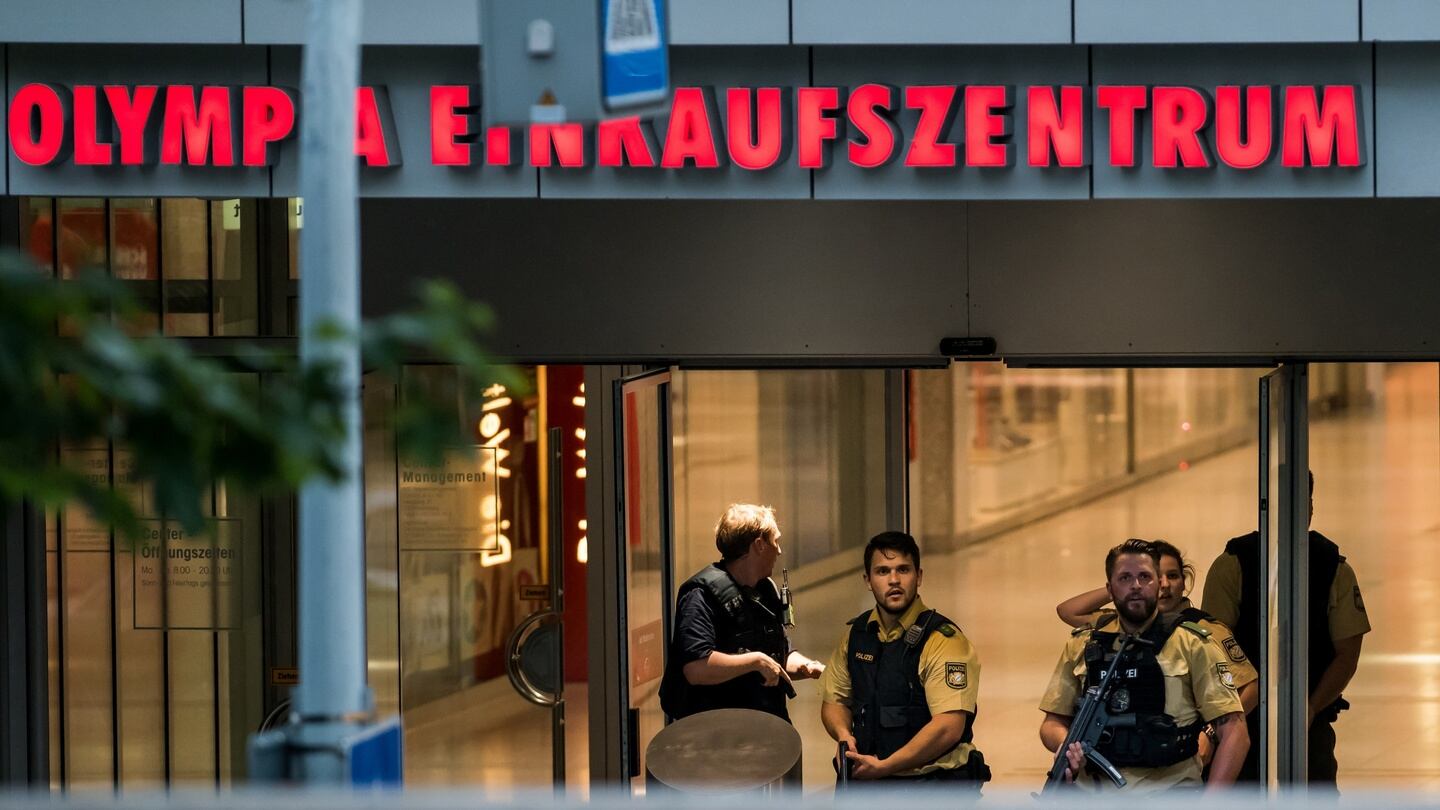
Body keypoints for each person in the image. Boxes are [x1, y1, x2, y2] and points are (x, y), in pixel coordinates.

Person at [1040, 539, 1249, 794]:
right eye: (1125, 578)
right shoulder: (1084, 642)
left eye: (1145, 577)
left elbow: (1235, 734)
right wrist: (1066, 744)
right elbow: (1051, 723)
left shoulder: (1193, 643)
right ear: (1110, 588)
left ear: (1158, 583)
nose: (1136, 585)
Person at [1202, 472, 1370, 788]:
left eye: (1302, 501)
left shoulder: (1333, 567)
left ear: (1311, 506)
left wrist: (1310, 707)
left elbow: (1347, 655)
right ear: (1264, 507)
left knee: (1313, 787)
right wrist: (1234, 709)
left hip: (1311, 712)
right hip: (1239, 714)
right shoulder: (1233, 563)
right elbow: (1212, 650)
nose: (1294, 511)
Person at [819, 531, 991, 789]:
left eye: (903, 569)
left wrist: (886, 766)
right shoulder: (857, 636)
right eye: (882, 571)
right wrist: (845, 738)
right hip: (867, 779)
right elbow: (834, 702)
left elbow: (948, 727)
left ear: (919, 576)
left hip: (930, 786)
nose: (894, 580)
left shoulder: (944, 640)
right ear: (867, 580)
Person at [658, 503, 825, 723]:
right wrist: (755, 661)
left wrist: (806, 666)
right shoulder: (700, 595)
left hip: (764, 725)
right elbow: (696, 668)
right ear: (759, 545)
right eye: (775, 541)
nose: (780, 550)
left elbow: (778, 656)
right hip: (716, 733)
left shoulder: (765, 590)